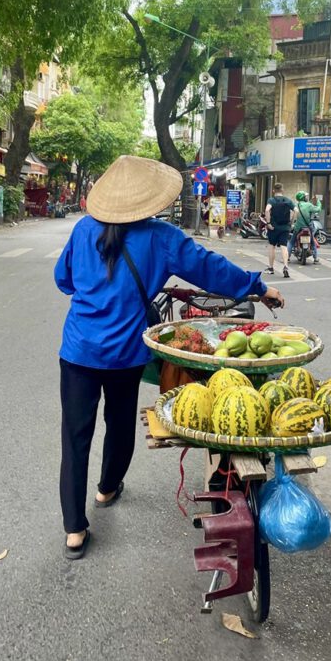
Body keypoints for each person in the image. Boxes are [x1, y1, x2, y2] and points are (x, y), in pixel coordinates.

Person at [54, 155, 283, 559]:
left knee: (74, 437)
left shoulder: (83, 228)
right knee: (119, 423)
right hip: (125, 353)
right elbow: (209, 268)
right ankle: (106, 488)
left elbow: (64, 279)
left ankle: (74, 529)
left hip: (78, 350)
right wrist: (258, 287)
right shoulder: (160, 237)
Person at [264, 181, 294, 278]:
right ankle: (285, 266)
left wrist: (268, 223)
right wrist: (291, 221)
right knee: (284, 246)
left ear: (273, 190)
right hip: (285, 227)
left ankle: (271, 268)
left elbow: (267, 210)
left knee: (271, 246)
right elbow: (296, 210)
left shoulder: (272, 200)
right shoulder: (288, 200)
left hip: (273, 227)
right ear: (282, 190)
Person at [288, 191, 321, 265]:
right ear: (303, 197)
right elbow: (318, 209)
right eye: (306, 196)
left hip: (298, 227)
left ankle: (287, 257)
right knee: (313, 242)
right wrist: (318, 201)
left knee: (291, 242)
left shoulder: (296, 205)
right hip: (308, 227)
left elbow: (293, 214)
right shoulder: (309, 205)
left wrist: (291, 223)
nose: (307, 197)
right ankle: (315, 258)